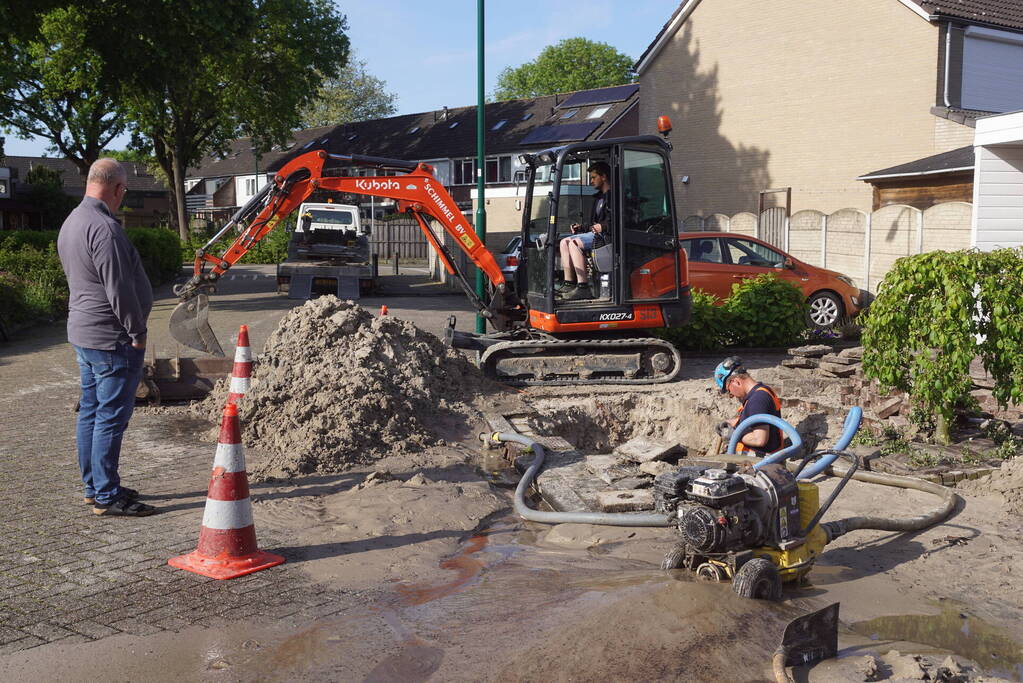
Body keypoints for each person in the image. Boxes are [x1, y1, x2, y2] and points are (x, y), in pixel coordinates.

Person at [57, 158, 157, 517]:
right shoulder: (104, 228)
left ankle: (95, 485)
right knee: (110, 417)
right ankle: (106, 495)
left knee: (91, 413)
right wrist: (138, 333)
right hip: (112, 339)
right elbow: (120, 290)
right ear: (117, 188)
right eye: (125, 190)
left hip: (84, 334)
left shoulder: (72, 222)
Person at [558, 161, 611, 301]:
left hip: (607, 236)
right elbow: (593, 224)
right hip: (596, 234)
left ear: (604, 177)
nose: (591, 181)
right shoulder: (598, 198)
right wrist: (580, 227)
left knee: (574, 243)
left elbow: (619, 219)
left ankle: (583, 287)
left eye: (594, 177)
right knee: (564, 242)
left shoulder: (614, 197)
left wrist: (603, 226)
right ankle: (569, 282)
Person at [713, 356, 783, 454]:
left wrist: (733, 434)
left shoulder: (758, 400)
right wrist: (733, 423)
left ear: (736, 382)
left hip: (760, 462)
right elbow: (753, 418)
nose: (731, 395)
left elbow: (759, 440)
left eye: (729, 391)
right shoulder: (760, 392)